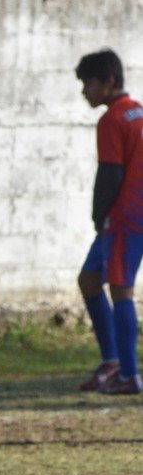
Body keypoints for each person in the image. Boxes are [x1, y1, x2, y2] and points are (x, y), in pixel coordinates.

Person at [75, 49, 143, 395]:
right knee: (89, 280)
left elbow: (111, 172)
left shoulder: (113, 120)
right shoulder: (139, 114)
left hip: (123, 218)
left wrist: (98, 213)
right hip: (134, 215)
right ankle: (112, 360)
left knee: (121, 291)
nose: (84, 90)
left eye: (89, 83)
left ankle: (129, 374)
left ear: (110, 81)